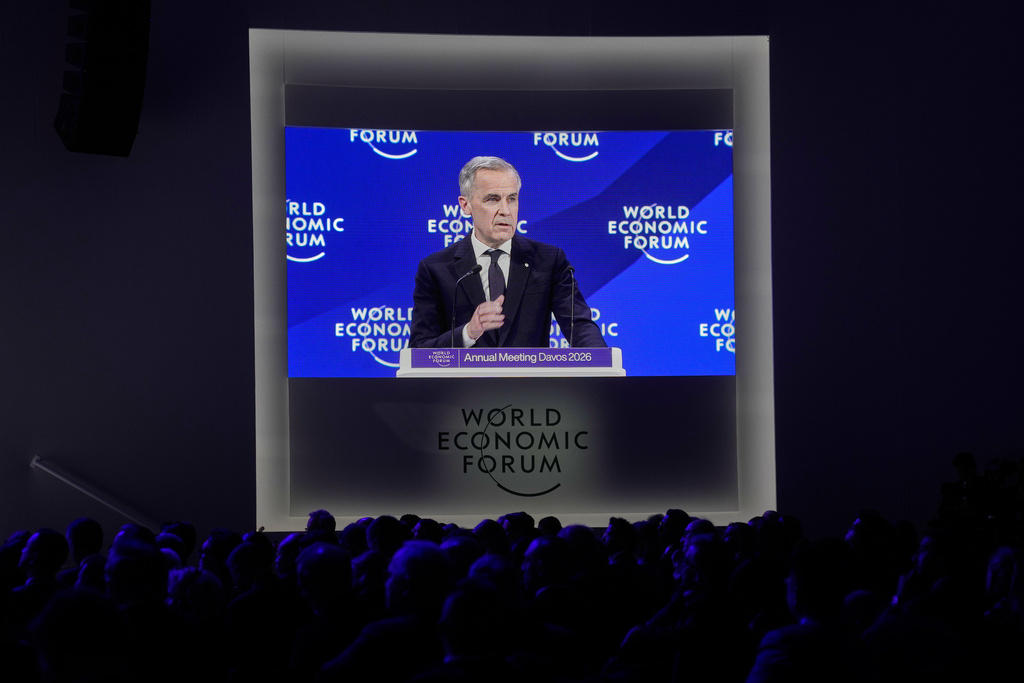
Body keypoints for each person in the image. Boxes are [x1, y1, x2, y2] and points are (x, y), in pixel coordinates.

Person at [410, 156, 606, 349]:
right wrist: (468, 333)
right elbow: (419, 349)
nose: (505, 210)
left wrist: (603, 362)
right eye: (493, 199)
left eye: (512, 199)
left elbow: (579, 326)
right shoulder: (436, 269)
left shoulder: (548, 260)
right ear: (465, 205)